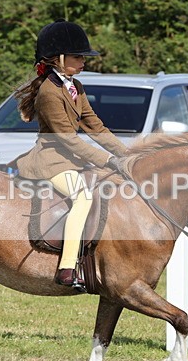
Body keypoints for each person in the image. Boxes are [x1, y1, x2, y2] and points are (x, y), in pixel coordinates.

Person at [14, 19, 127, 292]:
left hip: (72, 159)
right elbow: (68, 139)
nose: (83, 61)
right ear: (58, 59)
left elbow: (95, 126)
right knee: (83, 197)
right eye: (78, 56)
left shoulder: (76, 85)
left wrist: (128, 154)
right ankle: (66, 268)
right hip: (52, 161)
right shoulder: (48, 92)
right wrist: (108, 160)